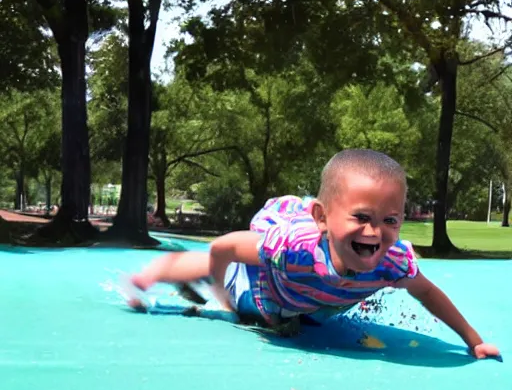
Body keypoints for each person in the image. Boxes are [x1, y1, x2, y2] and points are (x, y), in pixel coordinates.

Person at [127, 149, 501, 360]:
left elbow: (428, 293)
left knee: (308, 316)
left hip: (308, 300)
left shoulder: (392, 263)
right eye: (361, 218)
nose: (375, 232)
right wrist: (222, 297)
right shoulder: (292, 248)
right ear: (322, 218)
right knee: (226, 275)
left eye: (390, 220)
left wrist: (473, 340)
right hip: (266, 286)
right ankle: (162, 268)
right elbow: (222, 247)